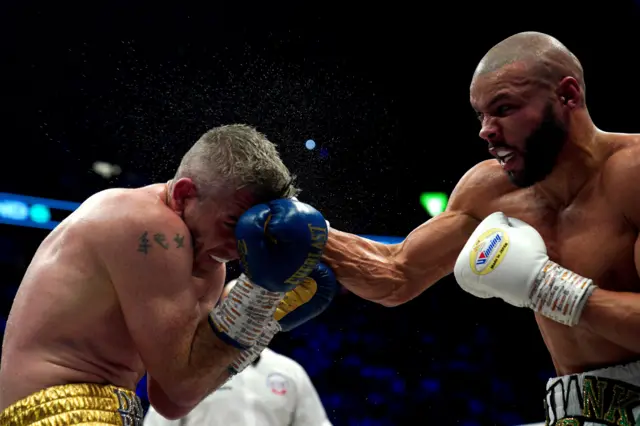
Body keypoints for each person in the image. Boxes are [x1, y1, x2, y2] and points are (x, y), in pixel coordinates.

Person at [322, 32, 640, 424]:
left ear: (568, 95)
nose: (485, 130)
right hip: (574, 412)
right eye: (481, 115)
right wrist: (303, 231)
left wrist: (548, 288)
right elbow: (397, 273)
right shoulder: (489, 190)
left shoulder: (633, 176)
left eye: (504, 109)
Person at [0, 124, 333, 425]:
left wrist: (259, 314)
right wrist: (259, 295)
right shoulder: (149, 224)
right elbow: (181, 385)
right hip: (53, 411)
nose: (237, 248)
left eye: (250, 232)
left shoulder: (208, 266)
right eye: (232, 224)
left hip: (107, 411)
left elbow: (173, 401)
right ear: (184, 194)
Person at [143, 277, 333, 426]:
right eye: (239, 310)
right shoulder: (190, 368)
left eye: (253, 311)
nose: (245, 320)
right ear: (222, 313)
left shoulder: (290, 372)